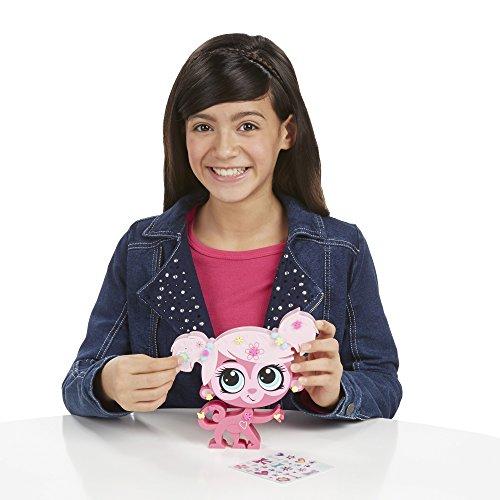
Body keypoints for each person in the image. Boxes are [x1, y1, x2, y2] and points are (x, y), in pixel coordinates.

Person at [62, 33, 402, 421]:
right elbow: (78, 381)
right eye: (203, 127)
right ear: (182, 134)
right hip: (173, 461)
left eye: (248, 126)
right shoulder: (144, 248)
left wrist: (335, 392)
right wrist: (107, 384)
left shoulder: (339, 250)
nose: (224, 150)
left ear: (287, 133)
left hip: (299, 462)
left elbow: (383, 385)